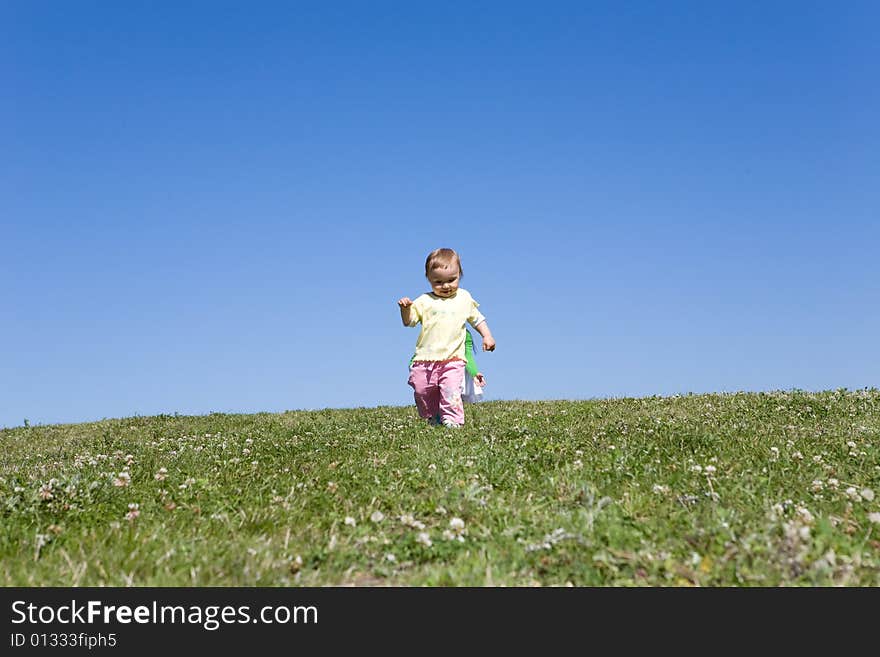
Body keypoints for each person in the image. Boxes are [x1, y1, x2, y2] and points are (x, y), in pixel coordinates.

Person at [398, 248, 496, 428]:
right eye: (438, 281)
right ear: (428, 278)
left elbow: (477, 318)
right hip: (425, 359)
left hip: (453, 358)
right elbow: (409, 321)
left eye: (452, 280)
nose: (446, 286)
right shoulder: (424, 301)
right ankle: (433, 416)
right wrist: (405, 309)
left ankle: (453, 421)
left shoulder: (464, 298)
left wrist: (487, 336)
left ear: (460, 274)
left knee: (450, 389)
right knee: (422, 391)